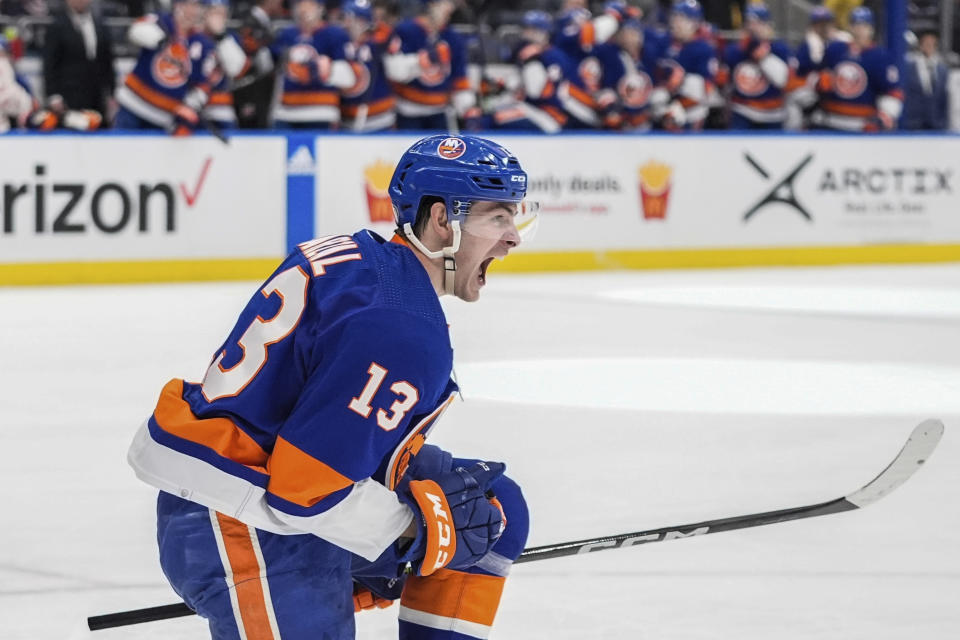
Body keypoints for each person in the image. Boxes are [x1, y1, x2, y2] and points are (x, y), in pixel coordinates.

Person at [127, 134, 535, 640]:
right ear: (441, 221)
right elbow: (304, 492)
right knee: (455, 520)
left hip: (260, 480)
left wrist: (421, 530)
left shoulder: (360, 259)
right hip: (238, 521)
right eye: (496, 217)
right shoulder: (403, 327)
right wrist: (416, 530)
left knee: (492, 506)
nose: (513, 236)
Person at [114, 0, 221, 133]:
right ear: (177, 5)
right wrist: (158, 38)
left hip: (163, 119)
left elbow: (202, 85)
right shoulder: (161, 21)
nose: (192, 11)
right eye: (188, 4)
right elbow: (135, 31)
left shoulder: (204, 44)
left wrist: (189, 108)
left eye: (197, 6)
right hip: (132, 107)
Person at [384, 0, 475, 130]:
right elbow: (395, 72)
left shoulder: (453, 38)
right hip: (408, 112)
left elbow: (459, 78)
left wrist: (467, 108)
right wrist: (422, 60)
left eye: (451, 4)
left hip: (440, 113)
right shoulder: (406, 30)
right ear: (431, 5)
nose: (450, 8)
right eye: (444, 3)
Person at [812, 6, 902, 132]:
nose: (860, 30)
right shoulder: (835, 50)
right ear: (850, 27)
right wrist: (819, 84)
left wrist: (884, 116)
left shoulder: (880, 57)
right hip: (830, 122)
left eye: (864, 26)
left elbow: (892, 92)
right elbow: (816, 78)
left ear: (871, 29)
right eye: (856, 25)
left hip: (861, 125)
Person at [271, 0, 356, 129]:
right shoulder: (286, 35)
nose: (304, 9)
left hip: (321, 111)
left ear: (320, 8)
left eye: (309, 4)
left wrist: (321, 70)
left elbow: (348, 77)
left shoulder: (335, 34)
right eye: (300, 4)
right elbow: (276, 69)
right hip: (287, 112)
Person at [718, 3, 796, 129]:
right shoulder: (735, 51)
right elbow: (725, 85)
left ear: (768, 26)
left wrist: (763, 57)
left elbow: (783, 81)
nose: (753, 28)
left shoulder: (780, 49)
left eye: (758, 23)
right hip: (742, 111)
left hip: (773, 114)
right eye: (749, 23)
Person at [42, 0, 116, 123]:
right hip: (68, 95)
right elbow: (49, 64)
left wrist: (112, 92)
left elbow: (107, 61)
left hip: (96, 95)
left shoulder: (100, 25)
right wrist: (53, 95)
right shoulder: (57, 26)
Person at [652, 0, 718, 131]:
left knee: (694, 83)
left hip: (690, 109)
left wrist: (680, 106)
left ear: (694, 24)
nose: (676, 23)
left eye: (682, 18)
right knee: (657, 95)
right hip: (664, 104)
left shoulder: (703, 48)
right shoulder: (664, 42)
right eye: (675, 17)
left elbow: (706, 89)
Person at [339, 0, 396, 132]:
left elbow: (389, 38)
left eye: (350, 18)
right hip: (347, 120)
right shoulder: (340, 43)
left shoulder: (377, 42)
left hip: (380, 119)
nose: (345, 23)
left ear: (363, 22)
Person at [901, 29, 949, 130]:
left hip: (936, 123)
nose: (930, 47)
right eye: (927, 44)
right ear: (920, 45)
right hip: (913, 123)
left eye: (933, 44)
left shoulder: (942, 70)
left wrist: (943, 122)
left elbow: (943, 98)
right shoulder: (908, 67)